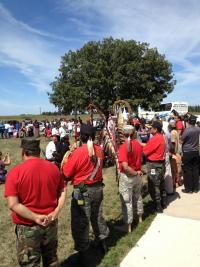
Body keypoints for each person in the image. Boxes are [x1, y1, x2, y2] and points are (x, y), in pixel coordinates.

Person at [4, 138, 66, 267]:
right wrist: (55, 212)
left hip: (28, 227)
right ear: (39, 151)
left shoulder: (15, 173)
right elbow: (63, 190)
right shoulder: (53, 168)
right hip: (50, 223)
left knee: (30, 263)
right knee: (52, 260)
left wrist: (36, 217)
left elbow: (13, 204)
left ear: (23, 151)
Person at [62, 124, 109, 266]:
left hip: (83, 190)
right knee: (97, 216)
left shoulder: (78, 153)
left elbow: (66, 173)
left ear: (80, 136)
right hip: (97, 188)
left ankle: (83, 253)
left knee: (80, 221)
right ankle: (102, 242)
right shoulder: (99, 150)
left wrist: (66, 160)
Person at [118, 125, 143, 233]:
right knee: (138, 197)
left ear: (123, 134)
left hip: (128, 176)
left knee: (126, 201)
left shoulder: (123, 147)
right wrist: (137, 173)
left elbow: (125, 167)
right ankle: (140, 218)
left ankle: (128, 226)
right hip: (137, 175)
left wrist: (134, 173)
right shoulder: (138, 144)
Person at [143, 120, 166, 213]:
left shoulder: (155, 138)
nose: (149, 129)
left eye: (151, 128)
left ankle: (158, 205)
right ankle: (163, 202)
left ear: (156, 129)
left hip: (154, 165)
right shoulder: (161, 137)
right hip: (161, 164)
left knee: (153, 184)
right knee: (161, 183)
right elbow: (150, 147)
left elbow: (145, 151)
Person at [181, 115, 200, 193]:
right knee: (195, 169)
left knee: (187, 170)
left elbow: (181, 141)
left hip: (187, 152)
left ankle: (189, 189)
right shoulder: (198, 129)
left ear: (188, 121)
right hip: (196, 151)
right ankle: (196, 188)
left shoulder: (187, 130)